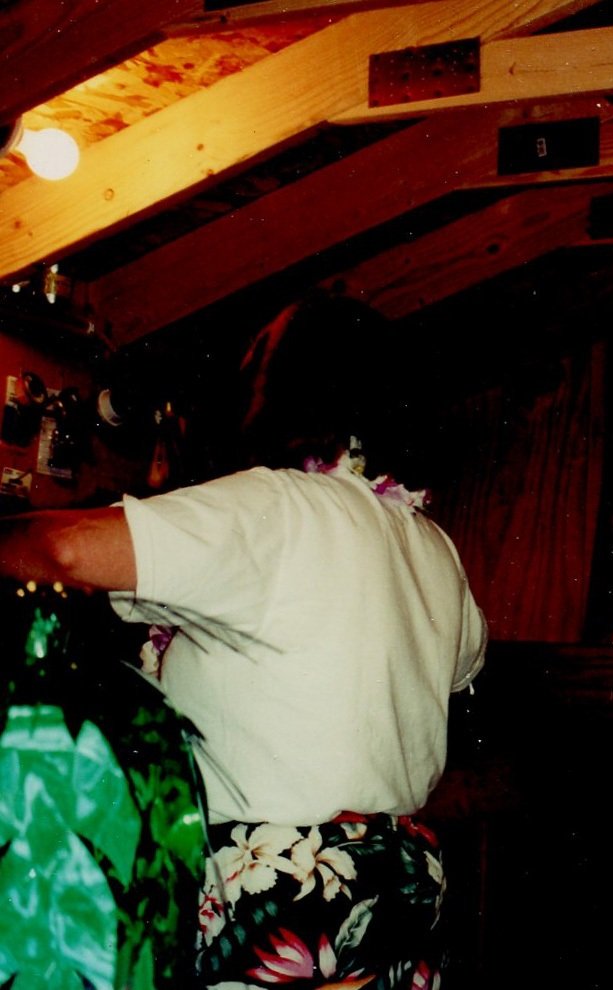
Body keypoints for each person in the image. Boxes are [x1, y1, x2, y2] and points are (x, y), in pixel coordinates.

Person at [0, 293, 488, 988]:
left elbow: (63, 549)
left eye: (256, 361)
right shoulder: (432, 544)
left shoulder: (279, 507)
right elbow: (464, 662)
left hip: (274, 907)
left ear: (284, 388)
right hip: (390, 905)